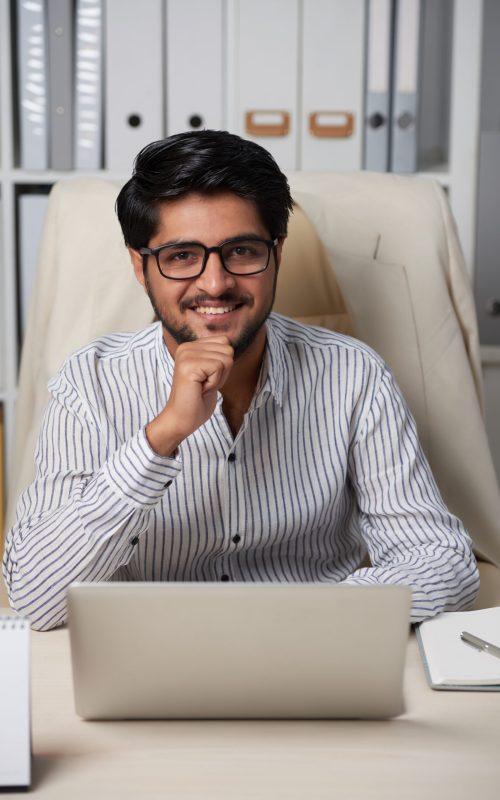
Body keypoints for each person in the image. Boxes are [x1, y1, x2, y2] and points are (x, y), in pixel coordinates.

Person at [3, 130, 479, 630]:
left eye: (242, 250)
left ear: (277, 253)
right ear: (140, 267)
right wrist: (160, 438)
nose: (215, 283)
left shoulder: (354, 375)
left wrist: (314, 614)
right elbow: (37, 598)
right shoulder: (90, 382)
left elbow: (444, 561)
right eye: (182, 256)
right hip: (151, 655)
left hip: (313, 648)